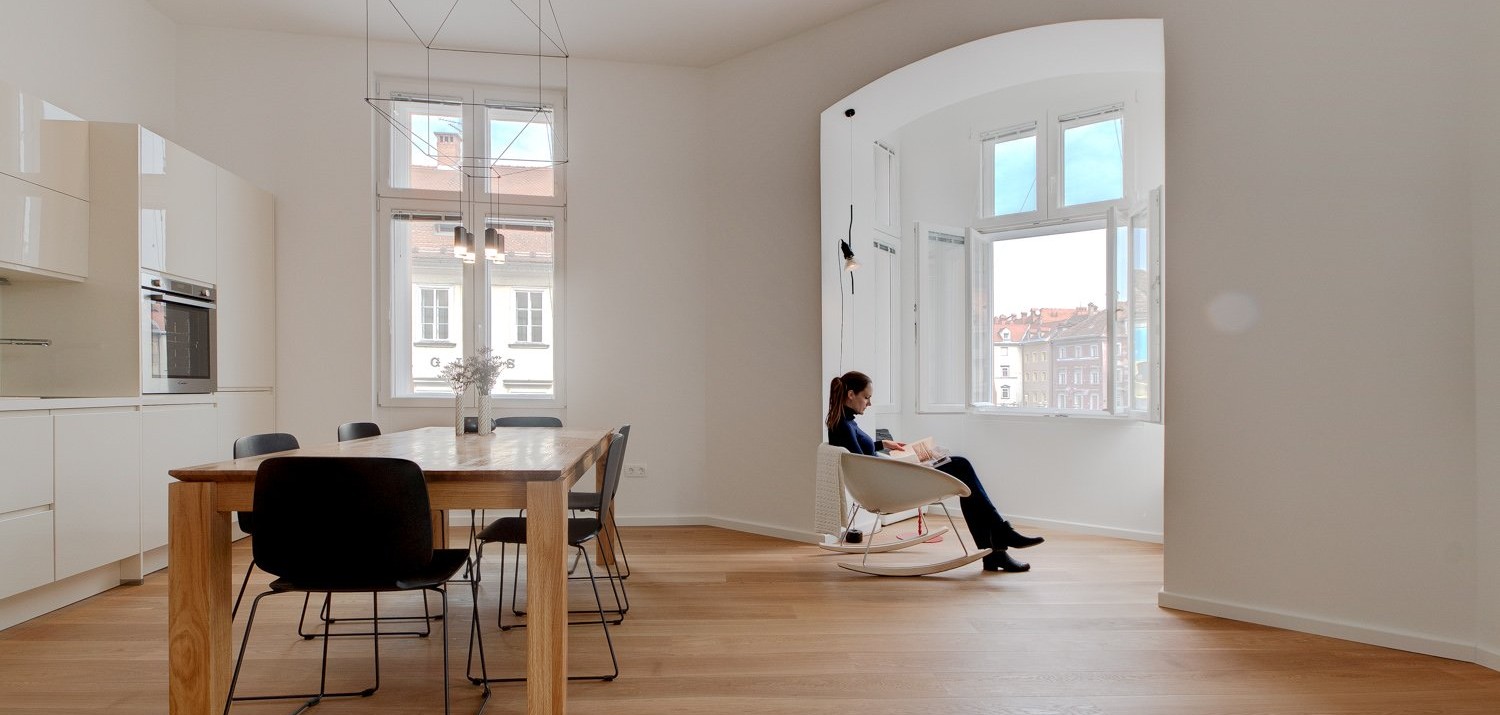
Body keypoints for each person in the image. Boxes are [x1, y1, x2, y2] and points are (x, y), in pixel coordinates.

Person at [825, 370, 1043, 572]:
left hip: (885, 482)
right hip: (887, 487)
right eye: (866, 397)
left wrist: (882, 445)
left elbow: (858, 454)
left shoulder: (843, 423)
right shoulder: (843, 425)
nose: (869, 403)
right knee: (961, 465)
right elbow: (863, 463)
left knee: (965, 482)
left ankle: (997, 551)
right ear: (851, 394)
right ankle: (1001, 537)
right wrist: (910, 465)